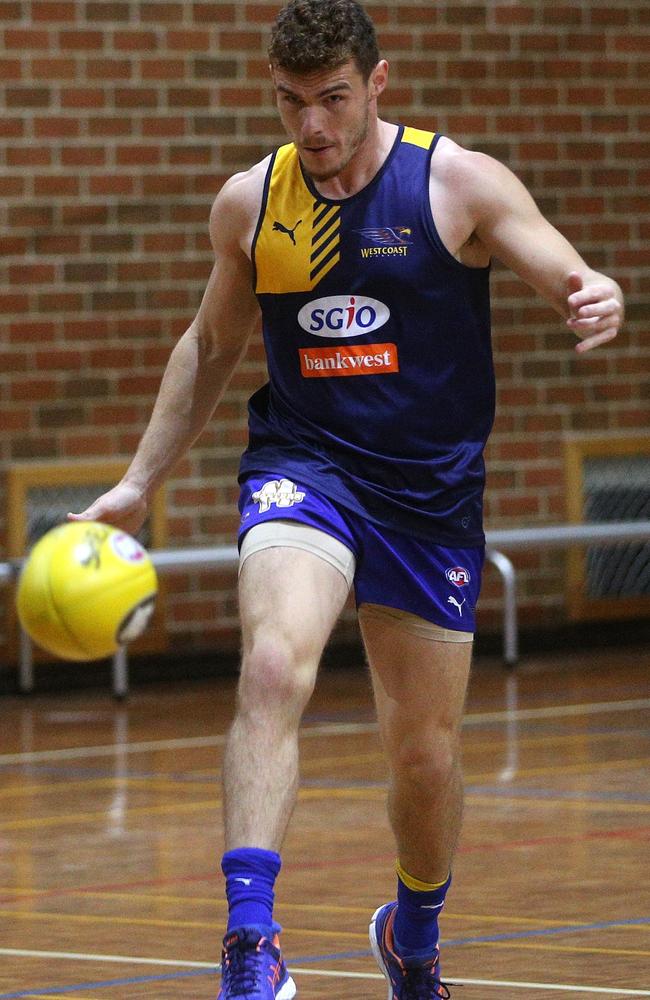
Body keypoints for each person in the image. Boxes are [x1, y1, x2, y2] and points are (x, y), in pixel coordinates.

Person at [69, 1, 624, 997]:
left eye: (331, 99)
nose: (311, 126)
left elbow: (555, 264)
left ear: (377, 82)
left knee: (421, 758)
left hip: (425, 494)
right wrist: (136, 481)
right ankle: (250, 944)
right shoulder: (255, 202)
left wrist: (589, 291)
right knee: (274, 663)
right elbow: (207, 348)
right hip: (305, 465)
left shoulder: (453, 183)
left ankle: (412, 932)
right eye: (290, 102)